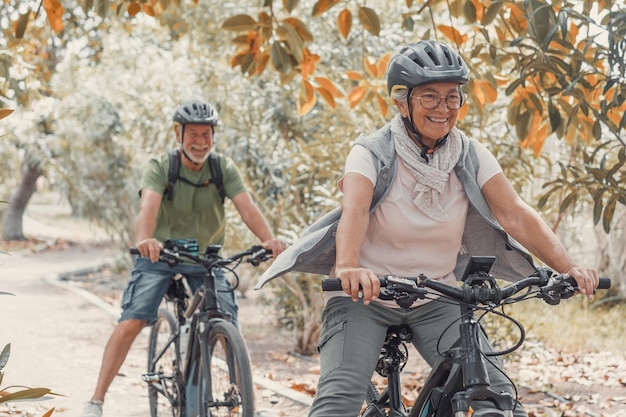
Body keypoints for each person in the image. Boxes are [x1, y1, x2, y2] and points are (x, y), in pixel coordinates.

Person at [256, 40, 600, 417]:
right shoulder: (371, 152)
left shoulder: (469, 154)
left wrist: (568, 268)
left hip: (438, 298)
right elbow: (354, 210)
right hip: (364, 297)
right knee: (338, 401)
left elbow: (515, 214)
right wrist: (349, 267)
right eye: (430, 97)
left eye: (453, 97)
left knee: (495, 398)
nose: (444, 108)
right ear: (402, 102)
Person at [81, 99, 287, 417]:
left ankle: (241, 399)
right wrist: (145, 240)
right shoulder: (162, 166)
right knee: (132, 320)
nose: (200, 141)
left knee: (227, 321)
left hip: (206, 258)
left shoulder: (221, 168)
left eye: (207, 134)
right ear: (179, 133)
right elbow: (148, 206)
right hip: (161, 253)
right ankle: (96, 400)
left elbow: (247, 207)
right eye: (193, 134)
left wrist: (268, 240)